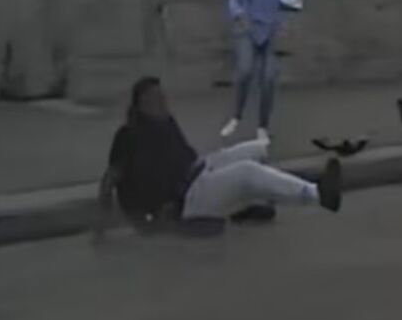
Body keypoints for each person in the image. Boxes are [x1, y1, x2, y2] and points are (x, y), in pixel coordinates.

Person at [92, 77, 341, 244]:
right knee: (246, 172)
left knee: (258, 148)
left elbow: (184, 157)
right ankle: (317, 194)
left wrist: (209, 164)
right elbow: (109, 180)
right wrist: (104, 230)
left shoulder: (166, 122)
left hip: (198, 171)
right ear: (141, 105)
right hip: (185, 199)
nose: (163, 103)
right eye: (155, 99)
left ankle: (249, 206)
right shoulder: (129, 135)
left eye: (163, 97)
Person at [220, 0, 304, 143]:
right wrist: (239, 14)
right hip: (248, 28)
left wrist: (286, 24)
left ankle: (262, 126)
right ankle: (236, 116)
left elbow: (294, 4)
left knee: (268, 78)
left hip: (273, 32)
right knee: (245, 70)